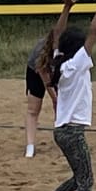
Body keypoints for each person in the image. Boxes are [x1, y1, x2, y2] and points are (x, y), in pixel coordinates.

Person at [30, 0, 96, 191]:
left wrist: (66, 8)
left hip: (61, 130)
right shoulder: (77, 63)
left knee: (79, 177)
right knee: (87, 181)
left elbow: (56, 35)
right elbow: (94, 32)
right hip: (73, 131)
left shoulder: (56, 63)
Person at [23, 26, 57, 158]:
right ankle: (30, 146)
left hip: (59, 72)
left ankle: (64, 141)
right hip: (36, 71)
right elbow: (45, 77)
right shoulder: (40, 51)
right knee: (33, 109)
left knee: (63, 107)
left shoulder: (70, 48)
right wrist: (54, 97)